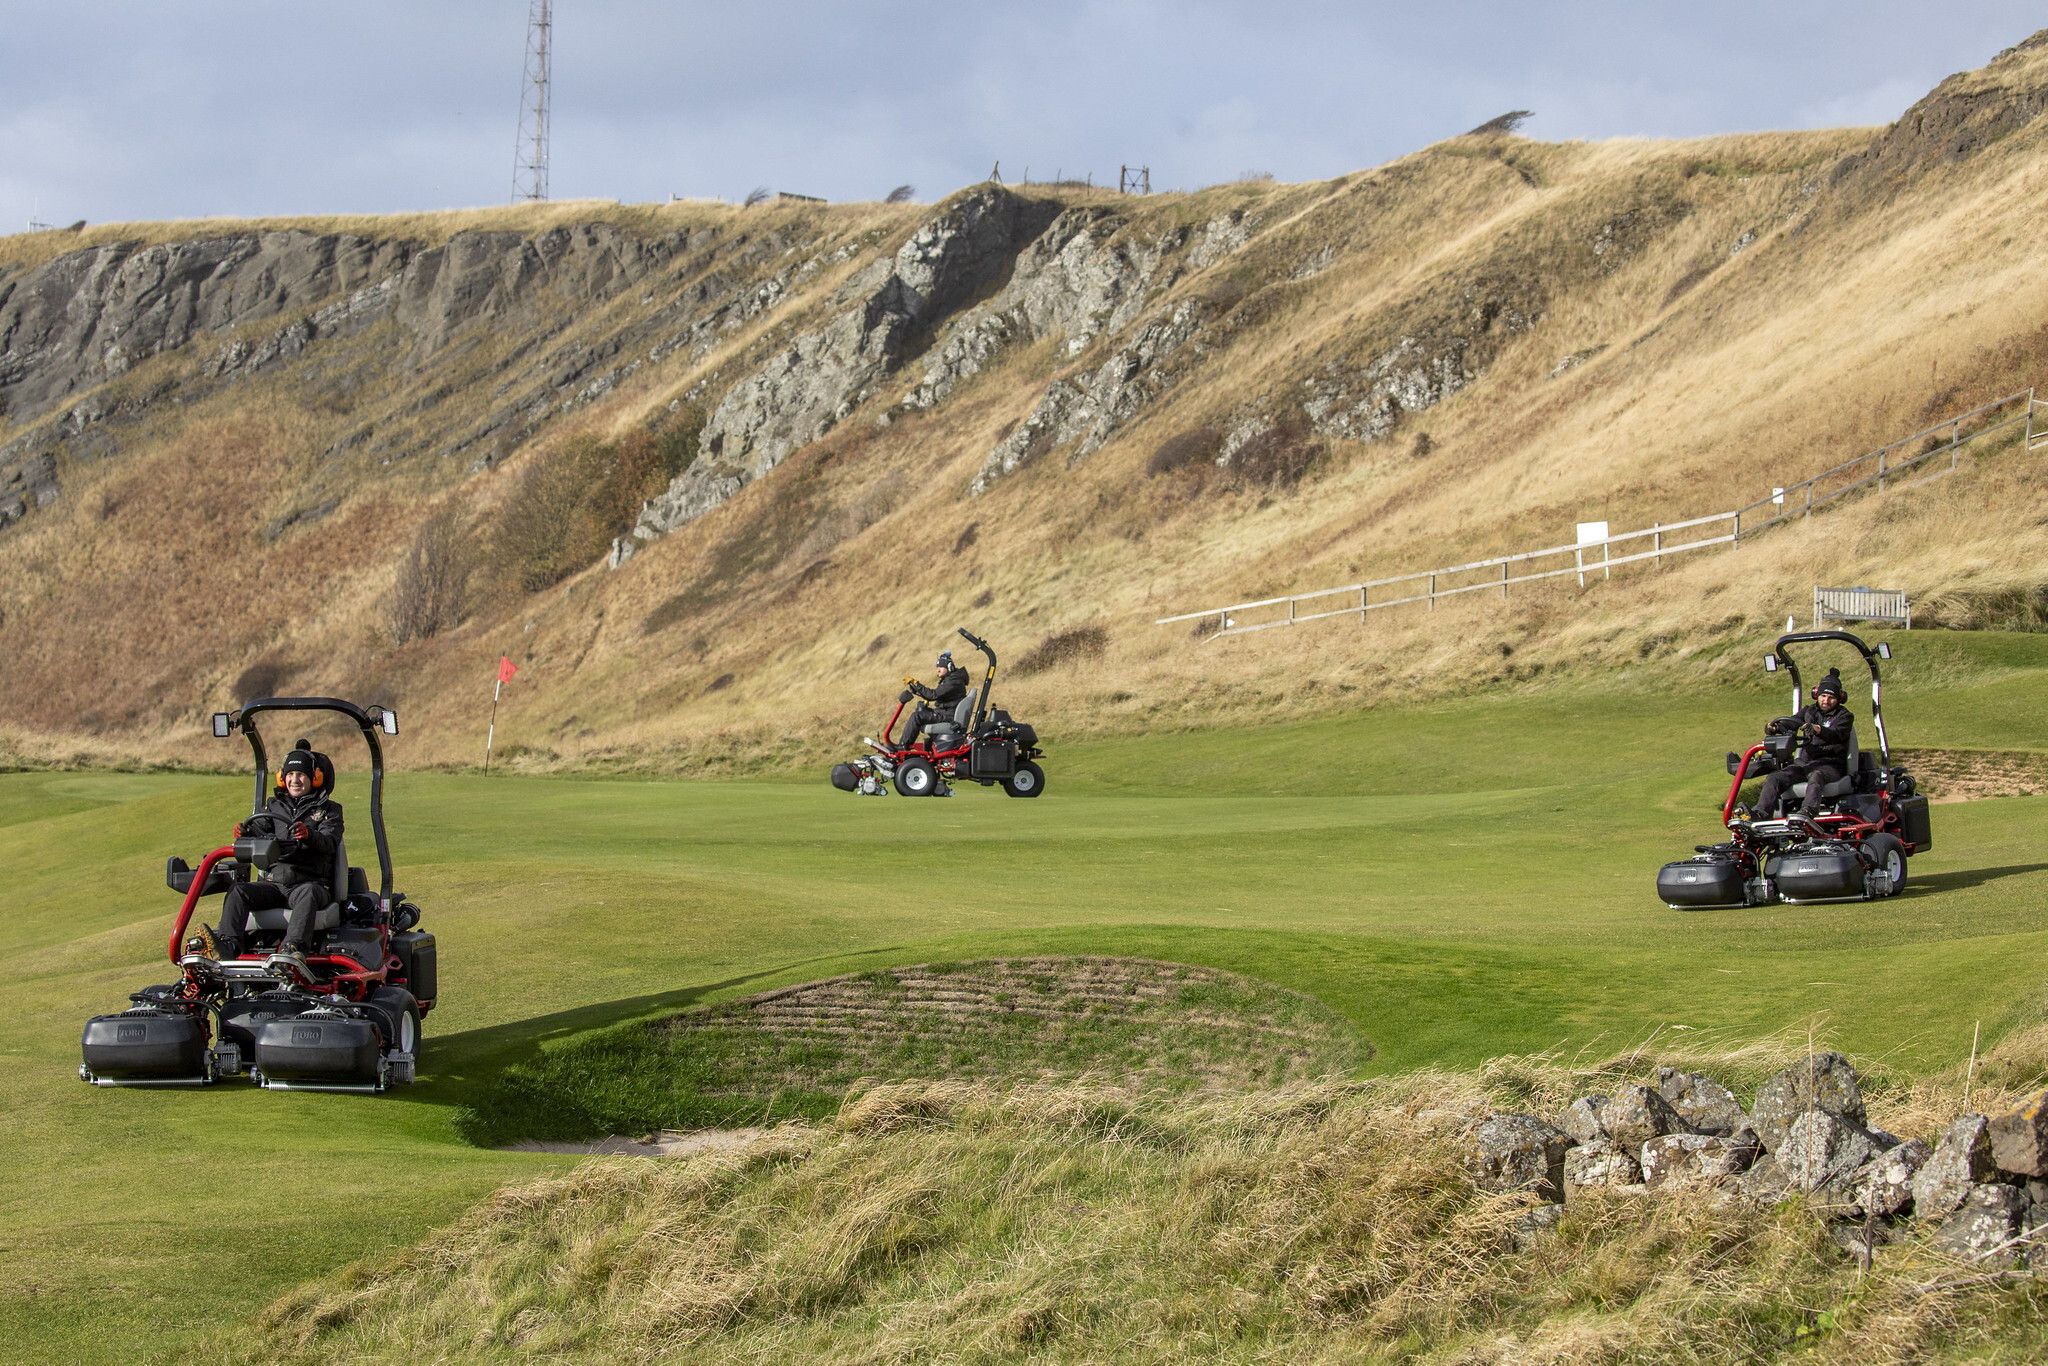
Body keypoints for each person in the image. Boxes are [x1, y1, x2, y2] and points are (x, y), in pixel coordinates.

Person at [211, 742, 344, 968]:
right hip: (274, 885)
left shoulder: (329, 810)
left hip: (308, 883)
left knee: (309, 892)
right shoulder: (273, 807)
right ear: (282, 778)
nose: (295, 780)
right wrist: (245, 833)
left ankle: (293, 949)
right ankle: (227, 946)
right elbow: (260, 832)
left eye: (301, 774)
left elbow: (330, 841)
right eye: (290, 774)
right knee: (238, 891)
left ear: (315, 778)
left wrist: (309, 835)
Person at [1751, 670, 1855, 819]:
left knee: (1817, 776)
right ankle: (1761, 814)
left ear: (1839, 698)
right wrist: (1775, 727)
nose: (1826, 701)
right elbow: (1791, 722)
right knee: (1775, 777)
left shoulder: (1845, 716)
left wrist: (1818, 729)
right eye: (1823, 696)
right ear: (1816, 695)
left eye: (1831, 697)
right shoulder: (1809, 711)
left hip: (1830, 765)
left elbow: (1836, 734)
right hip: (1805, 763)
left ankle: (1808, 812)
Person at [897, 649, 970, 751]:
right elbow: (935, 696)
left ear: (950, 667)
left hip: (949, 716)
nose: (938, 670)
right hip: (946, 713)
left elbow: (933, 695)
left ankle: (903, 746)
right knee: (922, 711)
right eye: (937, 667)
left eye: (941, 667)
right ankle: (931, 745)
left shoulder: (954, 681)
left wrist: (916, 683)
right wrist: (917, 689)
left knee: (917, 716)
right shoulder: (952, 679)